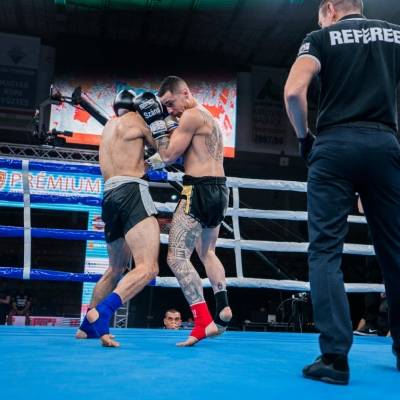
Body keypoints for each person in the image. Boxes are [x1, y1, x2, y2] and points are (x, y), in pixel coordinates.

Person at [284, 0, 400, 384]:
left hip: (334, 146)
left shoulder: (320, 37)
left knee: (325, 250)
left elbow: (293, 92)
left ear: (331, 9)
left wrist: (304, 139)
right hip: (385, 145)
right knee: (395, 251)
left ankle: (335, 359)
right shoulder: (394, 35)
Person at [135, 76, 232, 347]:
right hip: (220, 190)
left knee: (176, 257)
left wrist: (142, 163)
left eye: (170, 103)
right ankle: (223, 305)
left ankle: (201, 321)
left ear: (185, 93)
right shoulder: (208, 117)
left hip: (197, 190)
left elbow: (168, 156)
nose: (169, 109)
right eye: (165, 106)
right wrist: (167, 123)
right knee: (207, 252)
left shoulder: (190, 116)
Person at [75, 89, 160, 347]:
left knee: (115, 269)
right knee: (149, 267)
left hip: (109, 195)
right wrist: (160, 121)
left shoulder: (109, 128)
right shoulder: (138, 121)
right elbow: (166, 150)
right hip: (132, 191)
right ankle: (102, 313)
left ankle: (86, 327)